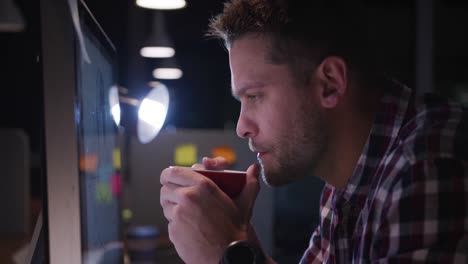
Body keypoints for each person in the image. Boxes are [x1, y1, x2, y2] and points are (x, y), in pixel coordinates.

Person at [159, 0, 468, 263]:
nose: (242, 127)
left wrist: (223, 254)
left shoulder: (426, 166)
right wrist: (238, 237)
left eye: (254, 96)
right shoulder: (346, 183)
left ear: (329, 83)